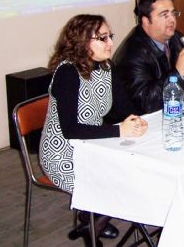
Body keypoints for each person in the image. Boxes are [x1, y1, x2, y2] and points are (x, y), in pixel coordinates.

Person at [39, 14, 148, 245]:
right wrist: (120, 130)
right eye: (102, 38)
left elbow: (122, 108)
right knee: (114, 181)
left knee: (134, 171)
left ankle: (92, 220)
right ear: (81, 42)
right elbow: (70, 130)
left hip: (93, 144)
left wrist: (135, 120)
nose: (110, 43)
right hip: (62, 153)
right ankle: (93, 226)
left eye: (110, 36)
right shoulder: (67, 73)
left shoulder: (106, 67)